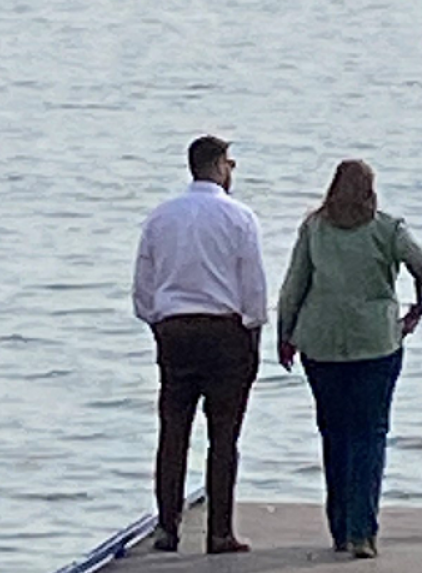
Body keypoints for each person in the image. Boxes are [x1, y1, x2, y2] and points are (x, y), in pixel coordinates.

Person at [276, 160, 422, 561]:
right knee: (370, 434)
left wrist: (285, 334)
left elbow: (295, 283)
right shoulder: (387, 228)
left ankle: (341, 529)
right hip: (376, 342)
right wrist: (419, 308)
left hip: (322, 344)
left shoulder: (314, 228)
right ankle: (364, 532)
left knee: (334, 433)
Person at [133, 135, 267, 556]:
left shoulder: (161, 217)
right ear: (220, 166)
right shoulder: (239, 216)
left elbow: (143, 286)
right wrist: (254, 327)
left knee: (173, 431)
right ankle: (219, 532)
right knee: (224, 435)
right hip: (225, 332)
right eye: (230, 163)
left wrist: (157, 321)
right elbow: (253, 286)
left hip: (174, 330)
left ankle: (167, 528)